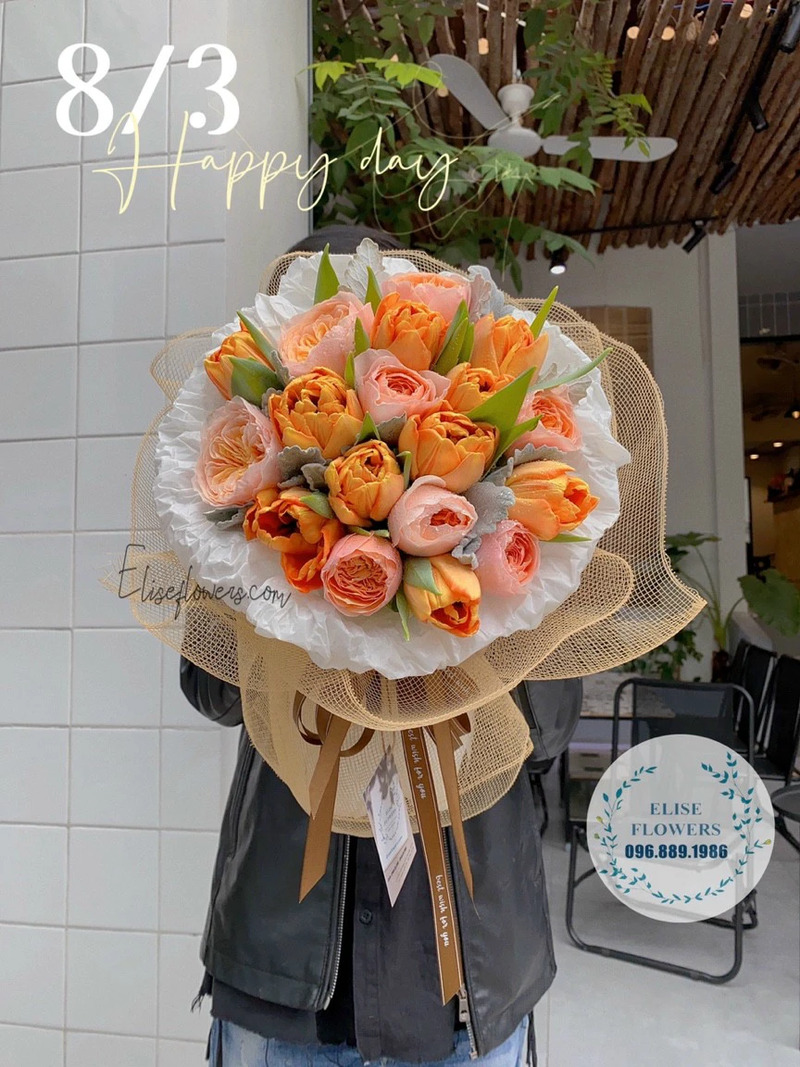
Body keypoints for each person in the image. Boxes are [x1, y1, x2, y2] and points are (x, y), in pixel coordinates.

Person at [180, 225, 560, 1067]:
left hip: (474, 972)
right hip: (283, 971)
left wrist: (458, 600)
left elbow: (547, 727)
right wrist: (284, 584)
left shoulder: (515, 516)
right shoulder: (249, 520)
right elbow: (208, 691)